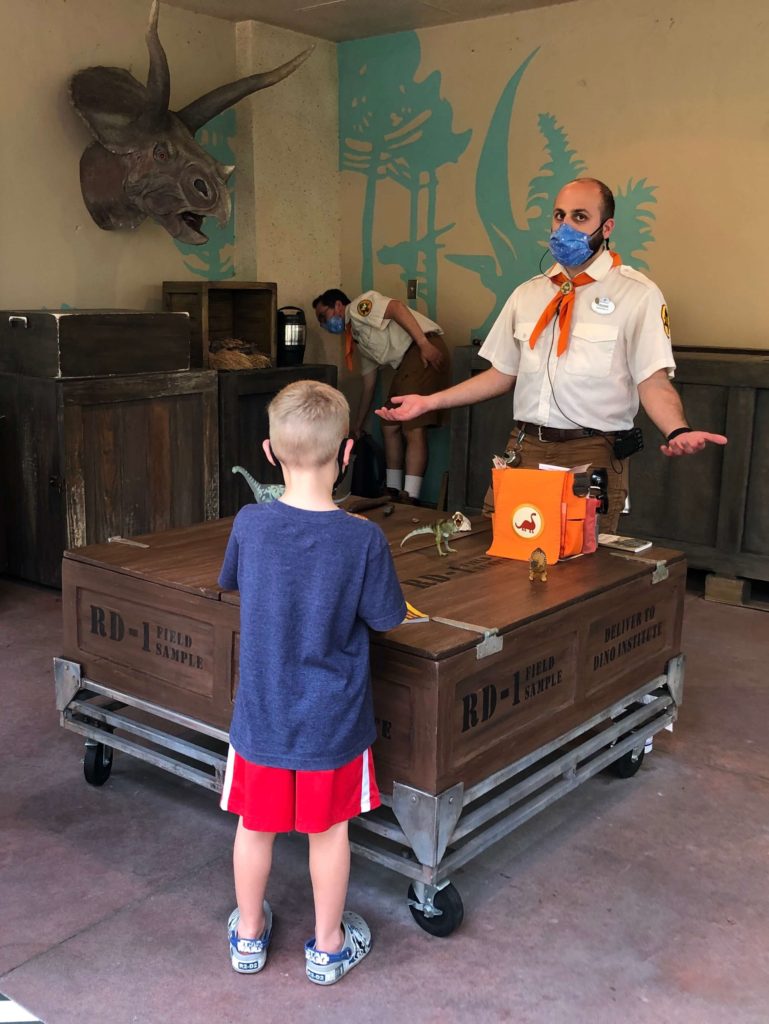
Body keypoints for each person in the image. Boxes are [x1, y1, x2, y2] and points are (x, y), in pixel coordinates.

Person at [376, 177, 727, 531]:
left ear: (606, 227)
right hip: (524, 449)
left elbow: (651, 380)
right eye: (559, 216)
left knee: (579, 570)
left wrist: (676, 430)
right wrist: (428, 403)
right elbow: (502, 373)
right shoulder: (527, 294)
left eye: (579, 217)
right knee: (501, 558)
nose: (565, 227)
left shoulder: (637, 295)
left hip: (590, 453)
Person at [218, 380, 406, 985]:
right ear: (349, 454)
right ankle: (327, 947)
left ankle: (249, 936)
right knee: (329, 833)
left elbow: (232, 581)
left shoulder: (250, 523)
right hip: (333, 719)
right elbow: (387, 618)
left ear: (269, 452)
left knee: (255, 825)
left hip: (263, 715)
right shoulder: (364, 539)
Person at [313, 287, 451, 503]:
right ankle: (393, 490)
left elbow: (396, 308)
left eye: (324, 316)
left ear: (339, 305)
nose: (324, 324)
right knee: (388, 423)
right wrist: (357, 426)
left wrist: (424, 343)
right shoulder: (357, 337)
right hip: (405, 364)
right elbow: (369, 384)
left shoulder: (360, 308)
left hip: (419, 350)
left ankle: (411, 496)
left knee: (413, 425)